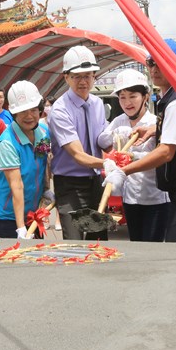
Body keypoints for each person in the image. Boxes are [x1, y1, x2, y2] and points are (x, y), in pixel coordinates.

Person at [103, 39, 176, 242]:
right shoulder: (168, 99)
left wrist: (123, 170)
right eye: (151, 63)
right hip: (175, 188)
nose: (154, 69)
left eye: (161, 63)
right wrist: (155, 129)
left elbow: (165, 152)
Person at [97, 69, 169, 242]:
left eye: (133, 96)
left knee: (152, 246)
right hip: (130, 198)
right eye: (122, 97)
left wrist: (131, 156)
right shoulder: (119, 121)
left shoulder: (154, 123)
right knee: (136, 243)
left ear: (145, 96)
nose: (127, 102)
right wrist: (114, 136)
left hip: (155, 198)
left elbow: (161, 155)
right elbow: (101, 141)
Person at [48, 45, 110, 241]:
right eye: (77, 76)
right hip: (70, 184)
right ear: (66, 77)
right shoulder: (60, 110)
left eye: (88, 75)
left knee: (97, 240)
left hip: (95, 182)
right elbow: (77, 154)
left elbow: (103, 141)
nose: (83, 81)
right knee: (74, 242)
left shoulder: (98, 104)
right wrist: (107, 163)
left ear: (94, 76)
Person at [0, 81, 51, 238]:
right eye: (23, 111)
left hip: (32, 210)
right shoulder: (7, 143)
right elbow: (17, 186)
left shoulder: (43, 132)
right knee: (19, 256)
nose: (29, 116)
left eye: (33, 110)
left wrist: (47, 190)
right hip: (7, 213)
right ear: (14, 113)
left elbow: (44, 164)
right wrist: (20, 228)